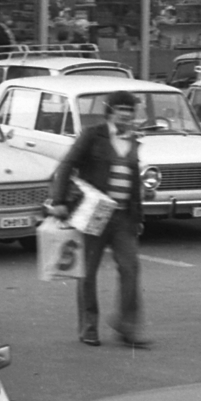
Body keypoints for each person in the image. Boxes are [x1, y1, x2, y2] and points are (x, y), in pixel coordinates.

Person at [49, 90, 150, 348]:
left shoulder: (133, 140)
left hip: (124, 216)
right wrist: (59, 201)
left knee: (130, 268)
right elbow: (66, 165)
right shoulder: (93, 135)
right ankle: (89, 327)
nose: (126, 115)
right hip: (96, 211)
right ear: (110, 112)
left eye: (130, 111)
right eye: (121, 110)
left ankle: (127, 326)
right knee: (88, 271)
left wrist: (137, 217)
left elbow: (133, 181)